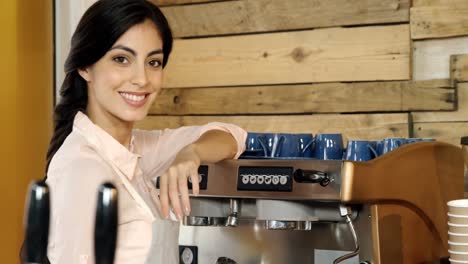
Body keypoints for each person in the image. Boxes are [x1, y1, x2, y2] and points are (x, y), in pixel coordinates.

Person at [41, 0, 246, 263]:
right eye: (121, 59)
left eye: (154, 62)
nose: (142, 79)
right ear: (85, 67)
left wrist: (192, 152)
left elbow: (233, 136)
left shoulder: (134, 149)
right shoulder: (82, 169)